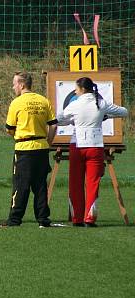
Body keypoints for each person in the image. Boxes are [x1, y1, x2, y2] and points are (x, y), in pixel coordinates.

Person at [56, 77, 128, 227]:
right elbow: (124, 112)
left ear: (82, 90)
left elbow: (59, 119)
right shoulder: (101, 103)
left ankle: (77, 219)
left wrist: (70, 121)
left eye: (76, 89)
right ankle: (89, 219)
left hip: (77, 146)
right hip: (95, 147)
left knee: (75, 182)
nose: (75, 91)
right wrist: (105, 115)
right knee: (92, 183)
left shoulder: (74, 104)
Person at [0, 72, 61, 228]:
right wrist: (48, 142)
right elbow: (53, 124)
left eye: (14, 84)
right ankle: (43, 219)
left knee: (21, 185)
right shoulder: (43, 101)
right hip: (42, 148)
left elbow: (9, 128)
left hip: (24, 149)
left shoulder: (17, 103)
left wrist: (17, 136)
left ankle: (14, 220)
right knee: (40, 186)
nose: (13, 87)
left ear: (22, 85)